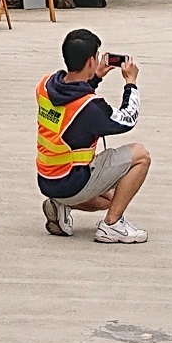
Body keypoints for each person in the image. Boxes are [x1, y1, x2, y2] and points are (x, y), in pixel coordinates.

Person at [36, 28, 149, 244]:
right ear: (90, 60)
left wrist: (95, 77)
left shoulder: (45, 86)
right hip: (72, 182)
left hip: (48, 180)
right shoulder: (89, 106)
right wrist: (131, 83)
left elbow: (70, 97)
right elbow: (127, 119)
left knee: (110, 199)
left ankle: (60, 205)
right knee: (140, 155)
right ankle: (112, 225)